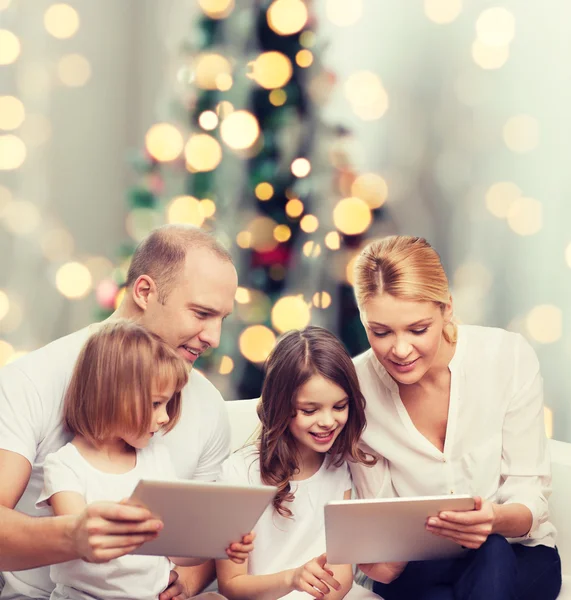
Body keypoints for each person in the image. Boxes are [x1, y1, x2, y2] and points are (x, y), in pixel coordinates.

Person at [0, 225, 249, 600]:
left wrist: (186, 582)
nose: (214, 337)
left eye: (222, 319)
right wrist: (74, 535)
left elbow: (199, 543)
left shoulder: (208, 405)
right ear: (145, 291)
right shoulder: (32, 380)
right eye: (201, 313)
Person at [350, 235, 562, 600]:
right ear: (363, 319)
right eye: (380, 332)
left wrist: (493, 519)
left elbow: (531, 496)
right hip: (420, 565)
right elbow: (379, 521)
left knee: (491, 552)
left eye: (418, 329)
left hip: (517, 552)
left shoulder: (507, 357)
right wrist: (380, 553)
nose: (400, 350)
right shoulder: (356, 388)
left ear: (447, 308)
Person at [37, 320, 247, 600]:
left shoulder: (156, 457)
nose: (164, 417)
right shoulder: (64, 466)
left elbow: (177, 553)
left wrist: (217, 545)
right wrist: (129, 525)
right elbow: (84, 544)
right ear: (111, 396)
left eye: (167, 404)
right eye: (155, 404)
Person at [215, 326, 379, 600]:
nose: (328, 421)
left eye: (339, 406)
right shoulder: (239, 473)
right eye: (310, 410)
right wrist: (292, 578)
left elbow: (341, 576)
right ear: (281, 405)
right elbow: (231, 583)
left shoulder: (341, 467)